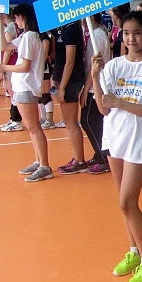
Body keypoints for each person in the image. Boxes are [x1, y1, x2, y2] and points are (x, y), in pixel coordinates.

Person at [92, 10, 142, 282]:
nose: (131, 38)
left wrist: (122, 103)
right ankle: (134, 251)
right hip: (115, 138)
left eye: (137, 33)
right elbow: (103, 108)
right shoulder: (113, 66)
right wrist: (95, 76)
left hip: (137, 141)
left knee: (127, 202)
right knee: (124, 203)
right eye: (126, 33)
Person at [0, 3, 50, 182]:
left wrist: (5, 67)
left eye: (17, 17)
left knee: (34, 127)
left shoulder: (29, 37)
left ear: (24, 17)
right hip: (23, 86)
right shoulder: (28, 36)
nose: (16, 21)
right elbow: (6, 46)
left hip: (26, 86)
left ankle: (44, 165)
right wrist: (0, 23)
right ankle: (39, 161)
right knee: (31, 127)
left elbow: (25, 66)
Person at [52, 20, 88, 174]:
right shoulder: (63, 28)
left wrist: (62, 87)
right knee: (69, 122)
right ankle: (77, 158)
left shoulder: (71, 29)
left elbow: (70, 61)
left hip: (70, 81)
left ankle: (79, 161)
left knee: (71, 122)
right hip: (64, 80)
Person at [79, 14, 111, 174]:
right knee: (91, 121)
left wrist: (86, 89)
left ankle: (105, 157)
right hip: (93, 83)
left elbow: (95, 66)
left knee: (88, 121)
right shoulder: (96, 34)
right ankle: (100, 154)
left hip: (95, 86)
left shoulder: (97, 35)